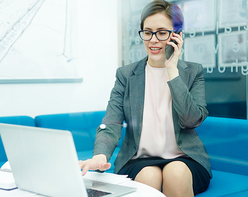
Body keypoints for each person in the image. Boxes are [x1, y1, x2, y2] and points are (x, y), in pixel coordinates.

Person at [79, 0, 212, 196]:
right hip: (139, 159)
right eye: (148, 32)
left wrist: (172, 72)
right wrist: (100, 155)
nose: (153, 40)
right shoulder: (126, 75)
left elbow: (191, 120)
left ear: (177, 36)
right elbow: (112, 123)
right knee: (149, 177)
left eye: (162, 32)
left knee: (175, 173)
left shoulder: (193, 72)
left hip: (185, 158)